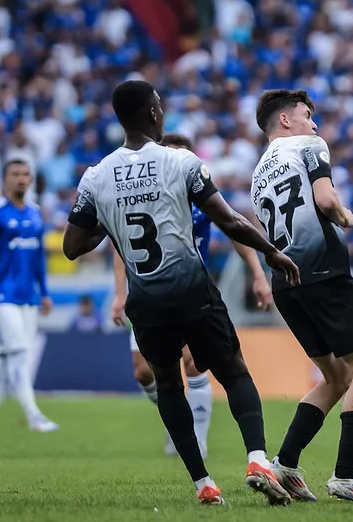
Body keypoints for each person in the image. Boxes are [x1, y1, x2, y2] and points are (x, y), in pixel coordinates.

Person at [62, 80, 300, 506]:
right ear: (154, 113)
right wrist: (272, 254)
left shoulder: (96, 177)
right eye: (160, 105)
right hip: (192, 291)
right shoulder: (180, 161)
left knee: (169, 386)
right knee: (234, 370)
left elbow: (72, 247)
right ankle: (258, 459)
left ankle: (203, 484)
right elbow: (229, 221)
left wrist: (111, 218)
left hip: (146, 301)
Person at [251, 89, 353, 504]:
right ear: (286, 121)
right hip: (324, 273)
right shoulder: (308, 144)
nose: (315, 124)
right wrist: (345, 216)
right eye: (308, 115)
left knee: (337, 377)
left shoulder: (258, 173)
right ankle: (346, 475)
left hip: (286, 283)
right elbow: (325, 199)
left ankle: (285, 465)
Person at [111, 132, 274, 460]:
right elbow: (119, 246)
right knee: (145, 372)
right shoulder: (144, 196)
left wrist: (258, 274)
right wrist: (119, 294)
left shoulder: (203, 196)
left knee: (193, 363)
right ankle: (179, 421)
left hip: (191, 292)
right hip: (147, 291)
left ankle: (196, 439)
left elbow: (235, 230)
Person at [0, 159, 58, 433]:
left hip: (28, 297)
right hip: (0, 295)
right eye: (15, 174)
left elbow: (38, 260)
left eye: (25, 174)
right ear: (5, 179)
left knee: (5, 356)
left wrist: (44, 293)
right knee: (20, 352)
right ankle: (34, 416)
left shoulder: (35, 214)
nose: (21, 178)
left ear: (31, 179)